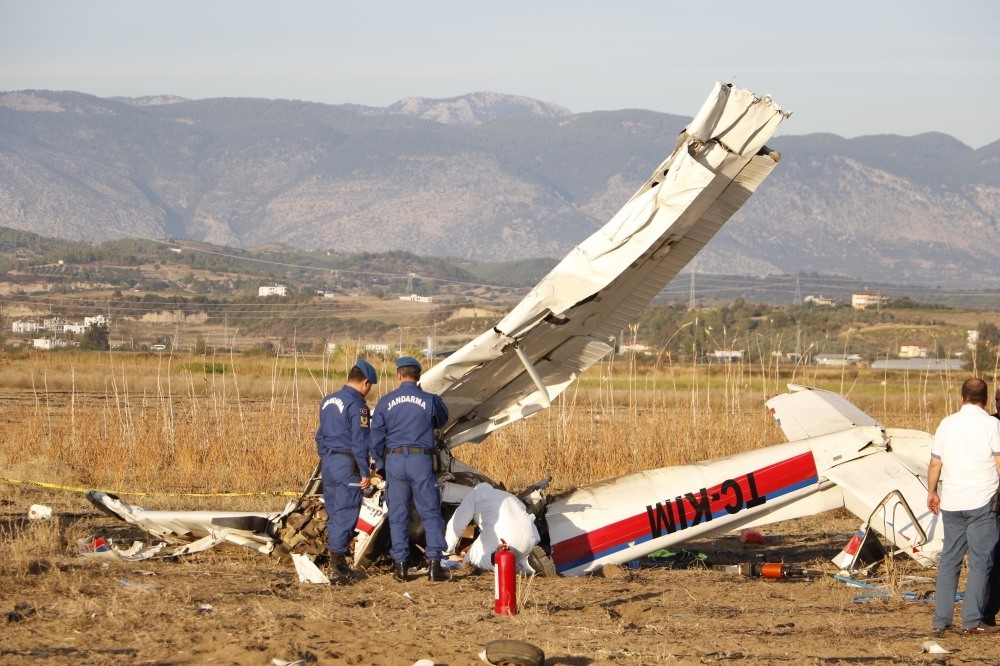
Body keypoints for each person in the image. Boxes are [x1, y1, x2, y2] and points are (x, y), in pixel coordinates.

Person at [927, 377, 1000, 634]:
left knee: (949, 560)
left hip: (953, 501)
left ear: (961, 398)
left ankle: (941, 621)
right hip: (982, 501)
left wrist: (932, 491)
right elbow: (999, 461)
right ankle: (972, 621)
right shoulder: (992, 424)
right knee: (981, 562)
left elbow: (935, 463)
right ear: (987, 400)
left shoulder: (947, 424)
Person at [370, 356, 449, 582]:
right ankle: (434, 565)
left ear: (398, 375)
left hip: (395, 462)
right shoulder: (430, 399)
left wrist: (381, 464)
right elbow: (441, 420)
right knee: (430, 512)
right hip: (421, 461)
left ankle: (401, 566)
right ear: (418, 376)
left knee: (398, 514)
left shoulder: (386, 402)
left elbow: (375, 439)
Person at [315, 359, 378, 577]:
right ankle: (336, 567)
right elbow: (359, 442)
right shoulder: (357, 405)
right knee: (347, 513)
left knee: (334, 512)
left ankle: (339, 562)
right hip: (347, 464)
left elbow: (320, 436)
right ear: (366, 383)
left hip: (329, 463)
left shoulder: (328, 401)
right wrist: (364, 471)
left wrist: (325, 457)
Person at [444, 482, 541, 573]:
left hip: (504, 534)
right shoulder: (507, 495)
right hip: (531, 536)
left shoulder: (475, 494)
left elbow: (458, 522)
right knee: (516, 558)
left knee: (472, 559)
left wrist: (446, 550)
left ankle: (496, 558)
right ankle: (529, 564)